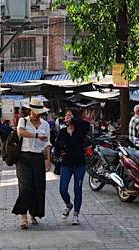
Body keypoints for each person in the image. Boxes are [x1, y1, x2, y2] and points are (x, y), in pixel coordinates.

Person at [13, 98, 52, 229]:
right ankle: (22, 215)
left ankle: (33, 213)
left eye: (39, 112)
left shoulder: (45, 125)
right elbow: (20, 132)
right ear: (30, 110)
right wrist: (36, 135)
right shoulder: (23, 120)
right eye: (35, 111)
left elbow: (47, 143)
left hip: (38, 157)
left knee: (38, 187)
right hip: (23, 157)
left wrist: (48, 159)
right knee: (25, 186)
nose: (37, 114)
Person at [55, 110, 91, 225]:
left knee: (77, 189)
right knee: (63, 189)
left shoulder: (80, 130)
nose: (67, 118)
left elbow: (86, 125)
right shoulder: (62, 131)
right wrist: (59, 150)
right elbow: (57, 146)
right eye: (66, 116)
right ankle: (68, 205)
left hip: (79, 164)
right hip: (66, 164)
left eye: (70, 116)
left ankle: (76, 214)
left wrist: (74, 121)